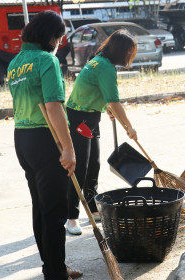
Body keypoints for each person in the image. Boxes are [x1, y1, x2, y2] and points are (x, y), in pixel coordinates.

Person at [7, 11, 82, 280]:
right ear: (50, 36)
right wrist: (68, 147)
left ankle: (53, 267)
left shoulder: (15, 62)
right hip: (44, 139)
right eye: (59, 38)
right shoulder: (46, 60)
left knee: (40, 207)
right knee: (54, 212)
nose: (60, 43)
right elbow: (53, 107)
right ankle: (55, 274)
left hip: (23, 140)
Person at [65, 29, 138, 235]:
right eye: (129, 52)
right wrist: (129, 127)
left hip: (90, 115)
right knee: (79, 168)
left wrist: (105, 107)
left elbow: (97, 91)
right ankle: (71, 217)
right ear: (121, 51)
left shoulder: (99, 60)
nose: (130, 56)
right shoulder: (105, 67)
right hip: (80, 118)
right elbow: (114, 100)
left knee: (93, 165)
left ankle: (92, 207)